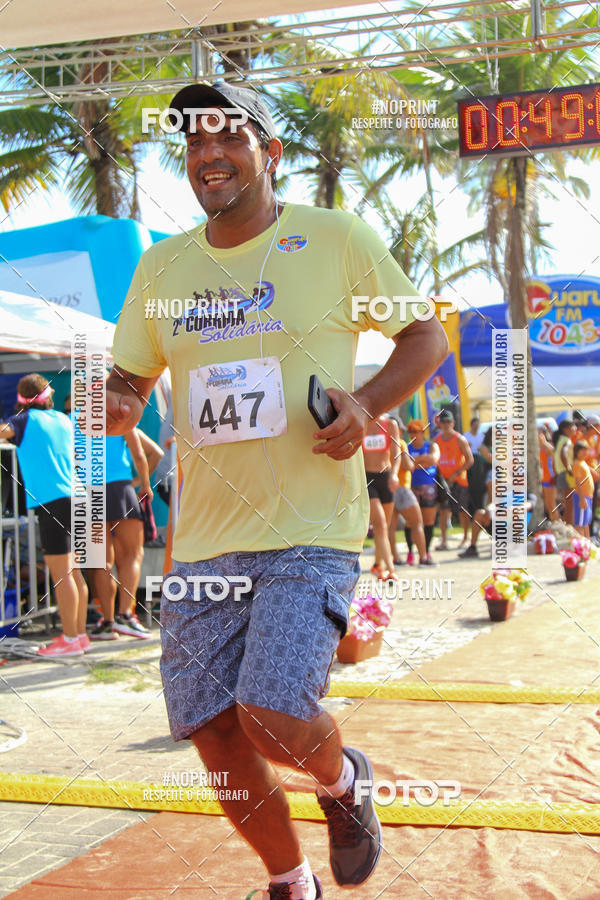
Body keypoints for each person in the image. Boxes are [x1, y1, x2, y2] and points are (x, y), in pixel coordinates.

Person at [104, 81, 448, 900]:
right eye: (193, 143)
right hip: (204, 541)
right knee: (212, 730)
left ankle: (343, 781)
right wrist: (111, 404)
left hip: (310, 527)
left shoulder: (332, 238)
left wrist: (367, 403)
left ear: (271, 154)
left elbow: (424, 334)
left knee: (272, 713)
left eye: (228, 138)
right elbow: (126, 378)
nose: (209, 155)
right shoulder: (163, 265)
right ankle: (290, 881)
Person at [0, 374, 89, 657]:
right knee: (74, 572)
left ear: (21, 398)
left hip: (53, 501)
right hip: (78, 497)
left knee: (61, 576)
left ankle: (70, 639)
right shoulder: (64, 419)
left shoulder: (23, 420)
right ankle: (80, 636)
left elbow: (3, 431)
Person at [90, 428, 162, 641]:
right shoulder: (121, 418)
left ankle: (108, 622)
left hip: (89, 492)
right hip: (120, 490)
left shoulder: (75, 420)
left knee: (101, 562)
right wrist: (144, 484)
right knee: (132, 555)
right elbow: (146, 454)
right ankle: (125, 616)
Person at [362, 414, 401, 580]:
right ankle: (390, 570)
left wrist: (395, 474)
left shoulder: (390, 425)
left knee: (385, 526)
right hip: (367, 479)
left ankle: (377, 564)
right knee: (380, 525)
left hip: (386, 478)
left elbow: (397, 452)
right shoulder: (360, 424)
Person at [388, 432, 433, 566]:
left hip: (387, 486)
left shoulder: (384, 443)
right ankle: (423, 557)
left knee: (391, 527)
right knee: (417, 523)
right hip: (401, 487)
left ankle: (395, 558)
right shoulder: (400, 443)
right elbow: (408, 466)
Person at [435, 409, 474, 549]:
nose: (445, 425)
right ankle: (444, 540)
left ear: (453, 423)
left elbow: (470, 460)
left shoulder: (459, 439)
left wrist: (457, 473)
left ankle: (465, 537)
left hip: (458, 480)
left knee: (462, 509)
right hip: (444, 480)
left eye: (448, 422)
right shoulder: (437, 440)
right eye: (443, 422)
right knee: (444, 510)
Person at [405, 419, 440, 564]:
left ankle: (426, 552)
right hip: (411, 486)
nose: (413, 434)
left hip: (428, 485)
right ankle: (410, 552)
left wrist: (415, 461)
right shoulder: (406, 447)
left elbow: (433, 459)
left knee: (428, 521)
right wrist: (423, 460)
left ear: (422, 432)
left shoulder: (431, 445)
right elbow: (407, 465)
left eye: (416, 431)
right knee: (410, 521)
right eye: (411, 431)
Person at [553, 419, 575, 525]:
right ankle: (569, 527)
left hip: (561, 474)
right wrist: (569, 469)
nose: (574, 429)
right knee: (570, 504)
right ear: (565, 429)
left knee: (566, 503)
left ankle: (566, 525)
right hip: (566, 474)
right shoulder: (566, 440)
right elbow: (563, 454)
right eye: (572, 427)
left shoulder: (560, 440)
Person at [572, 441, 594, 537]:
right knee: (580, 524)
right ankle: (580, 545)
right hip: (582, 497)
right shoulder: (577, 464)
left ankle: (587, 544)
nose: (585, 452)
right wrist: (581, 498)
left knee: (585, 522)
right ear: (577, 451)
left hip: (588, 496)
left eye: (586, 450)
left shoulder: (583, 462)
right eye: (582, 450)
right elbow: (577, 482)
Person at [538, 424, 558, 523]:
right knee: (548, 505)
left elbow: (554, 452)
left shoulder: (547, 446)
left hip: (549, 478)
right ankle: (554, 522)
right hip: (543, 479)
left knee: (551, 504)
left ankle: (557, 523)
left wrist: (544, 442)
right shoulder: (538, 448)